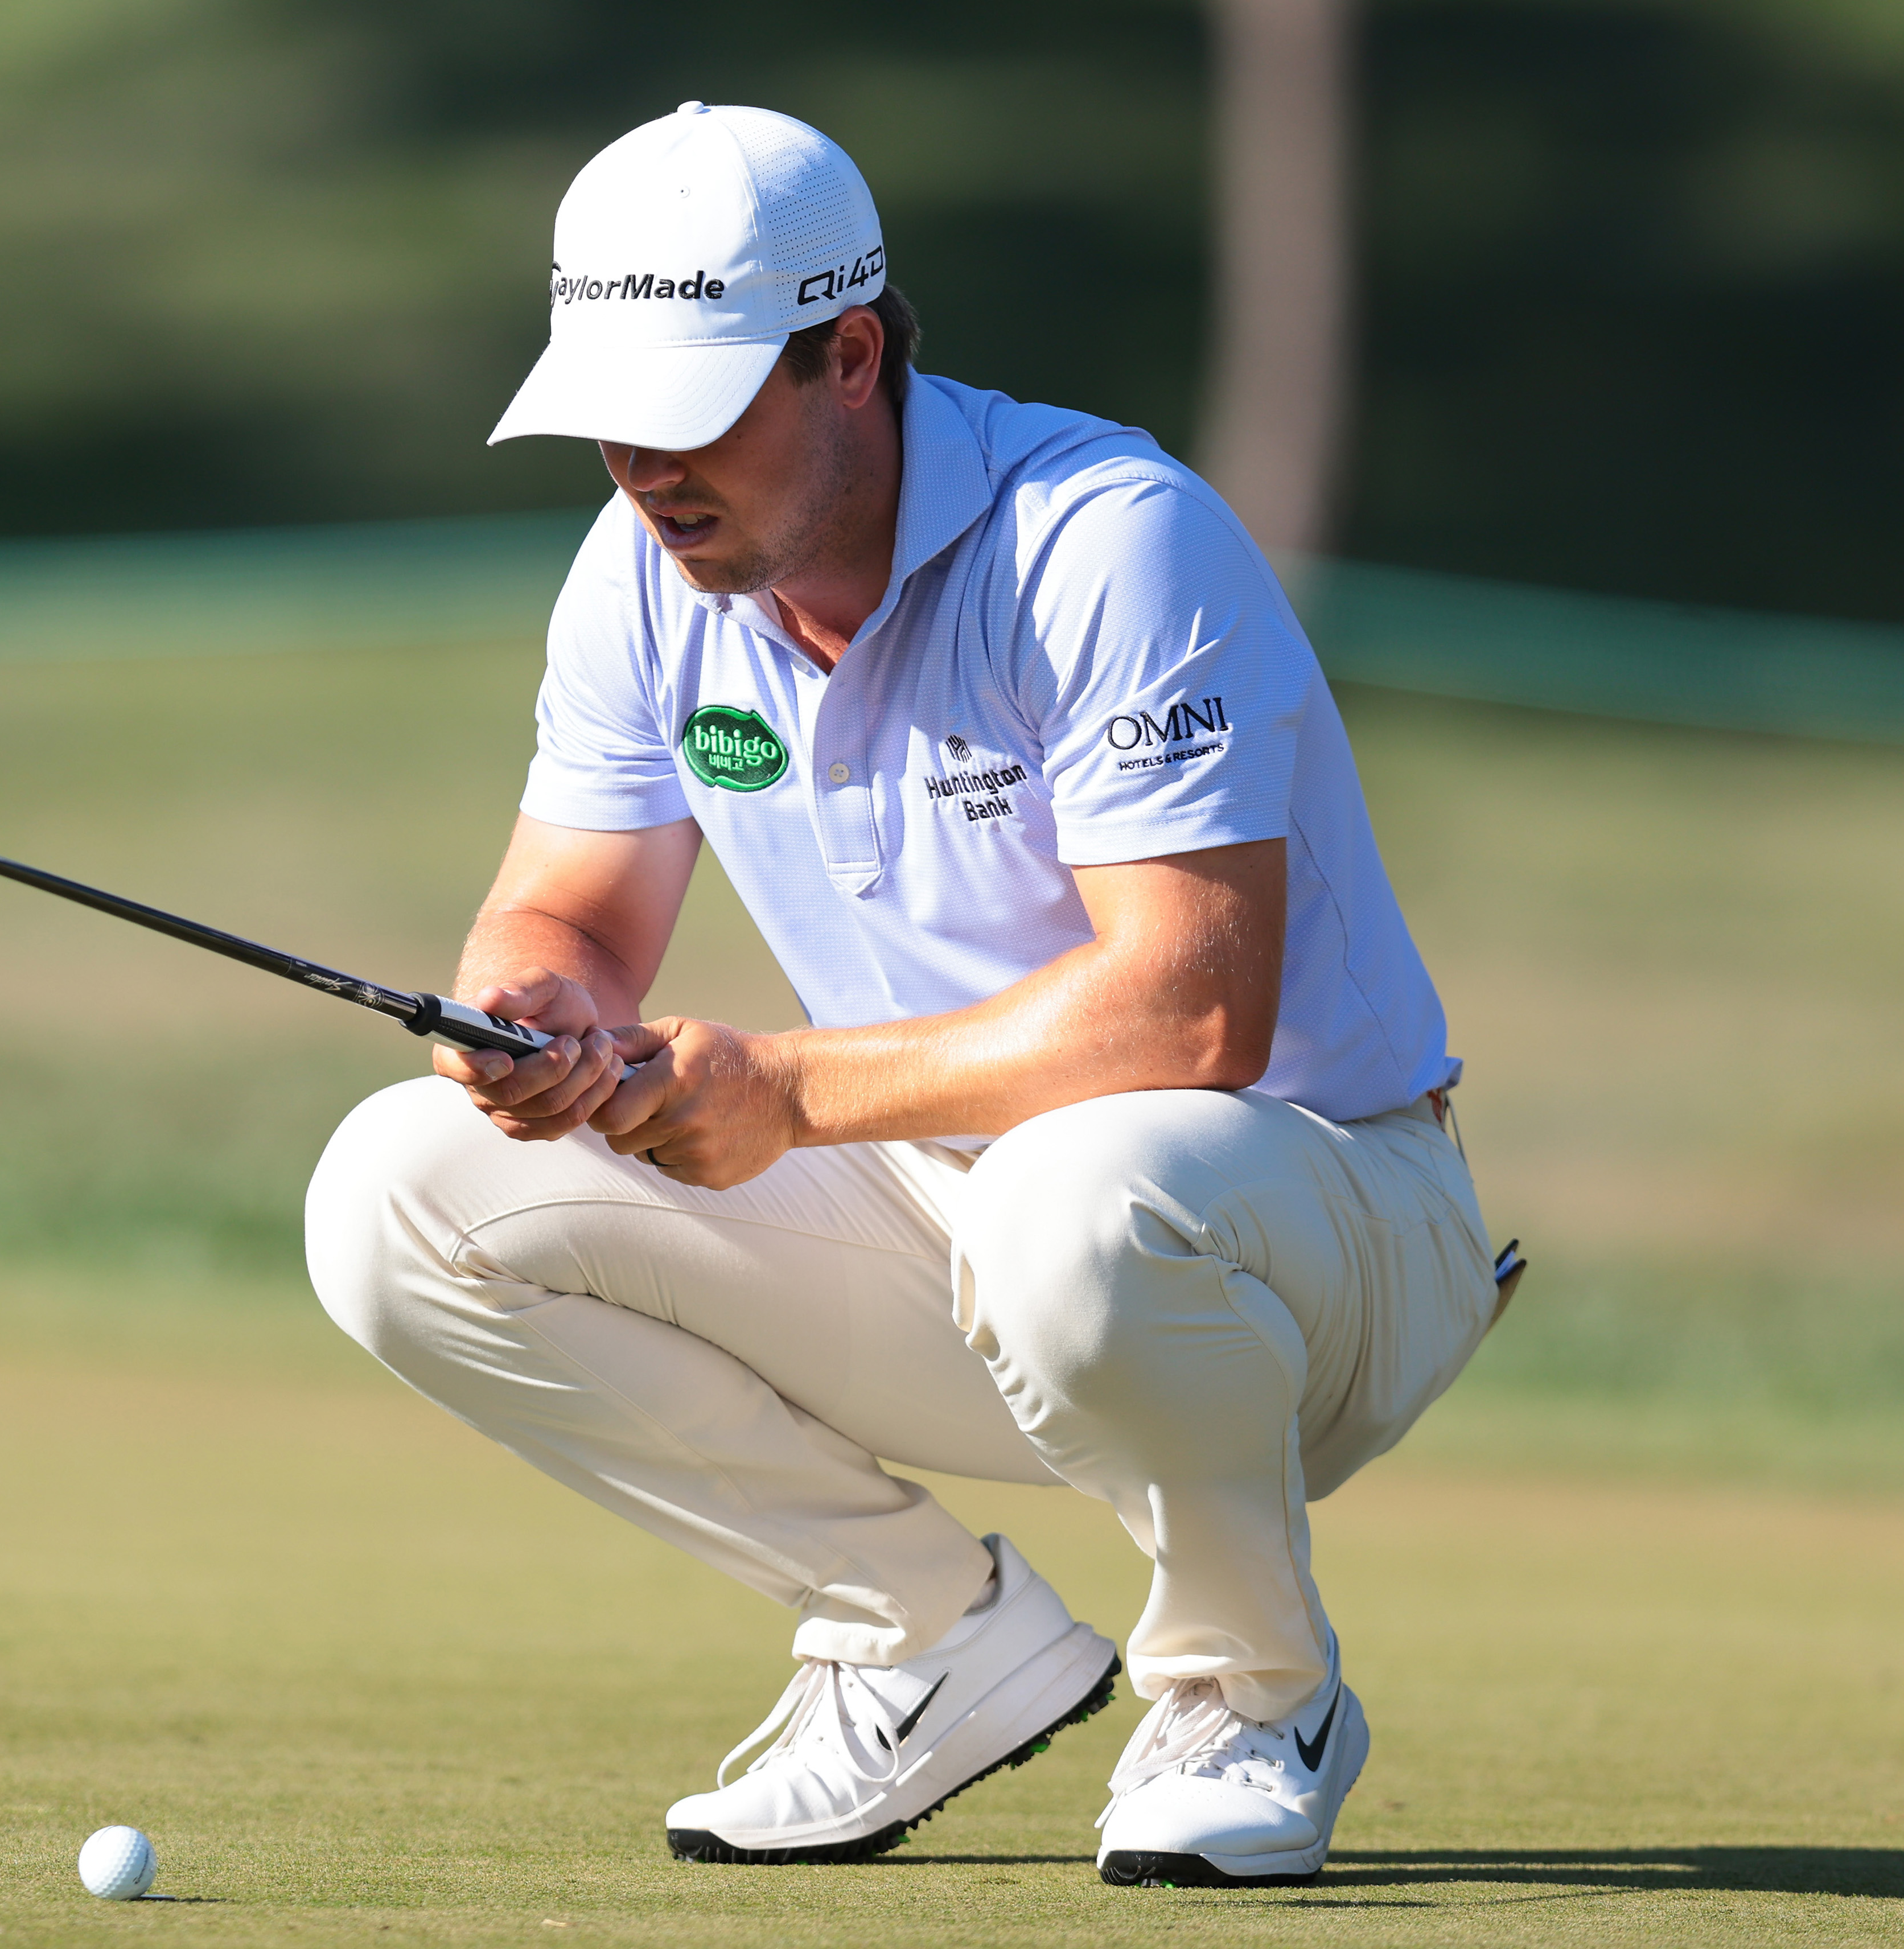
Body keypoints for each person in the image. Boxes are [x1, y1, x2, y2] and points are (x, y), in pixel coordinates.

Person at [302, 102, 1512, 1889]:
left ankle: (1254, 1695)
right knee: (396, 1190)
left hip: (1313, 1232)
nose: (643, 465)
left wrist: (783, 1088)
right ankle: (928, 1637)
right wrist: (529, 1016)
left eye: (693, 405)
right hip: (966, 1223)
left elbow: (1193, 1014)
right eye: (610, 417)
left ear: (849, 356)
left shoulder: (1105, 536)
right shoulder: (647, 578)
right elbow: (561, 907)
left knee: (1071, 1190)